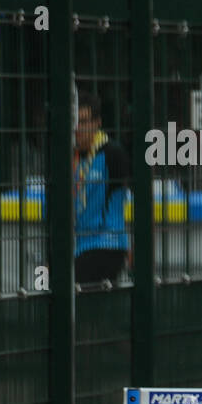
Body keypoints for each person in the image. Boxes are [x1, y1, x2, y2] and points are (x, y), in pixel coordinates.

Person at [73, 92, 131, 285]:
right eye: (74, 122)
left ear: (97, 122)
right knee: (41, 279)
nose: (77, 128)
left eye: (83, 122)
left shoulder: (112, 154)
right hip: (79, 247)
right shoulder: (74, 158)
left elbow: (142, 197)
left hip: (106, 245)